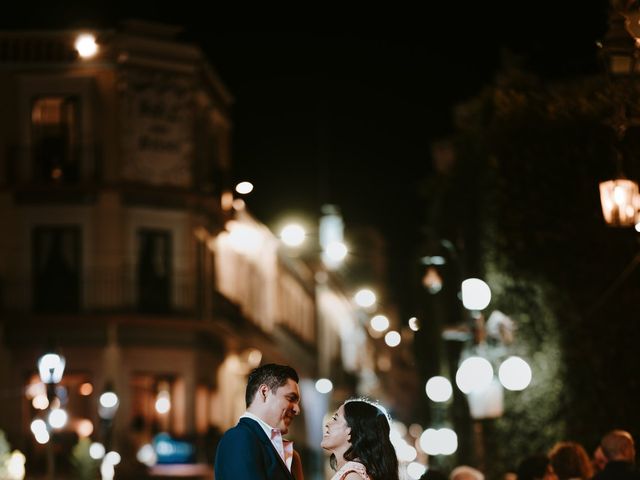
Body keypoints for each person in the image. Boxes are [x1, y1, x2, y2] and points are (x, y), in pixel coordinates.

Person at [214, 363, 302, 480]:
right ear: (264, 392)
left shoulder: (284, 450)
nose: (297, 409)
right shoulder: (238, 438)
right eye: (291, 398)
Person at [321, 399, 399, 480]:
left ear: (350, 432)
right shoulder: (351, 473)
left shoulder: (352, 477)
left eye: (335, 419)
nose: (327, 424)